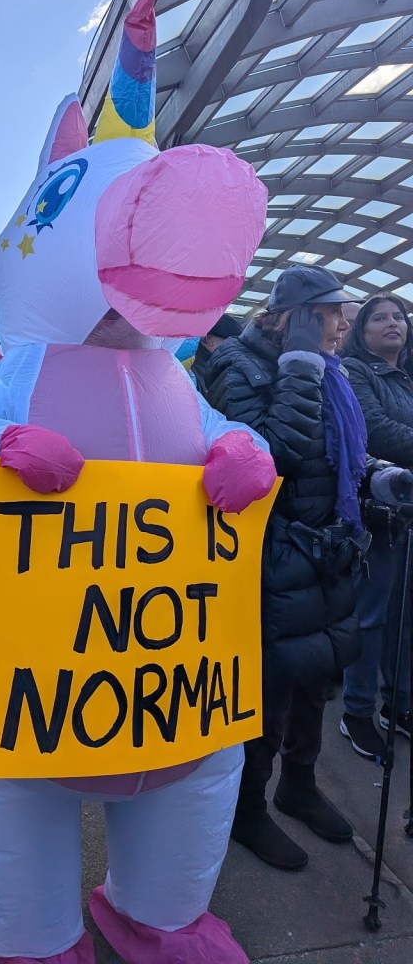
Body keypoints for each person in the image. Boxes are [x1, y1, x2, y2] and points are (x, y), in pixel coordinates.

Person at [205, 263, 373, 871]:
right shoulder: (236, 366)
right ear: (297, 316)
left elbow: (338, 454)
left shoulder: (332, 371)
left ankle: (298, 785)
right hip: (272, 556)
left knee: (317, 676)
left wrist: (378, 477)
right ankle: (247, 808)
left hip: (328, 551)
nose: (343, 325)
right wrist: (299, 364)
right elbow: (269, 457)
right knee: (269, 689)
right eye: (332, 314)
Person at [340, 296, 413, 758]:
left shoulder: (407, 376)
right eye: (379, 318)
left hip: (408, 511)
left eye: (398, 317)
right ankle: (357, 711)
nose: (392, 324)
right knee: (372, 616)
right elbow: (377, 431)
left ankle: (399, 705)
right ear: (360, 331)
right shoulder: (355, 370)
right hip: (378, 515)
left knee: (406, 617)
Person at [189, 314, 243, 394]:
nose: (234, 346)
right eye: (231, 341)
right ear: (209, 339)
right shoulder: (191, 369)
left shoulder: (212, 363)